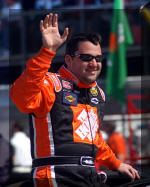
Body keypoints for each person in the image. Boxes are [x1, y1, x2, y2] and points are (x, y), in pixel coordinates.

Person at [10, 13, 140, 187]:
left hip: (90, 174)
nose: (94, 63)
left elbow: (95, 139)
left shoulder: (97, 93)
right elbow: (21, 97)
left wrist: (117, 164)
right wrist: (47, 52)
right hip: (56, 174)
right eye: (86, 58)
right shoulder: (50, 84)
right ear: (69, 60)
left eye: (98, 58)